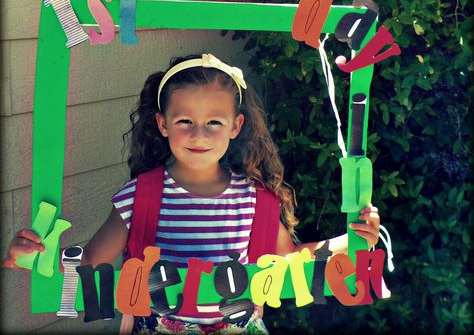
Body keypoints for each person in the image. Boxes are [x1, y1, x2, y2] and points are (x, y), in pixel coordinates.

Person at [4, 53, 381, 334]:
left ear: (235, 126)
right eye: (185, 121)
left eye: (213, 122)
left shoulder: (256, 200)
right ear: (162, 124)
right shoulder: (141, 197)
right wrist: (35, 259)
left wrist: (347, 242)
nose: (199, 134)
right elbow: (90, 265)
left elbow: (290, 259)